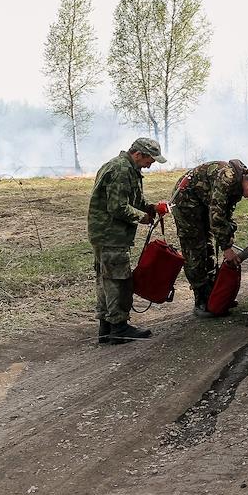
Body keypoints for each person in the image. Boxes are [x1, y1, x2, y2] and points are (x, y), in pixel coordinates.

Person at [87, 137, 167, 344]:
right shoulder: (121, 170)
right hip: (110, 235)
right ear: (138, 154)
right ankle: (119, 328)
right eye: (150, 160)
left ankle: (106, 328)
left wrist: (151, 208)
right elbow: (117, 207)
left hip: (108, 234)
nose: (151, 164)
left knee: (106, 279)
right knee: (118, 280)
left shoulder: (127, 168)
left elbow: (133, 200)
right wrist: (143, 217)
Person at [170, 160, 248, 315]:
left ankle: (212, 295)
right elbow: (217, 216)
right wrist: (227, 248)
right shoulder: (227, 178)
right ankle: (200, 300)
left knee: (208, 247)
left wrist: (228, 237)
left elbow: (225, 215)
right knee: (195, 250)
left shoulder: (238, 184)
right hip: (186, 203)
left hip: (202, 204)